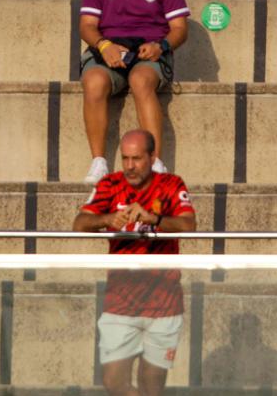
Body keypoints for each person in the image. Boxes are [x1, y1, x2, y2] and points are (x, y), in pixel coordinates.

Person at [74, 129, 197, 396]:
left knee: (151, 387)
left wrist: (155, 220)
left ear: (153, 157)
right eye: (125, 158)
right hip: (120, 300)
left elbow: (189, 225)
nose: (130, 166)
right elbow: (80, 223)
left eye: (137, 159)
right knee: (113, 382)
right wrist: (106, 220)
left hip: (164, 302)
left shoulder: (171, 184)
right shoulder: (109, 185)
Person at [80, 0, 190, 185]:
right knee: (93, 81)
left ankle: (156, 163)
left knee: (141, 80)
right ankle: (99, 162)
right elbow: (86, 26)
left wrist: (160, 46)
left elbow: (179, 29)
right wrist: (104, 45)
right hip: (107, 49)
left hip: (148, 51)